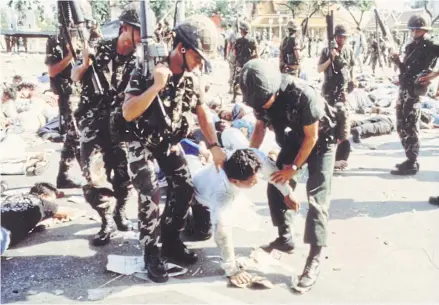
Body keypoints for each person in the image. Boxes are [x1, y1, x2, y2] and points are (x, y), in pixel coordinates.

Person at [122, 15, 226, 283]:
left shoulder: (192, 77)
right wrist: (156, 86)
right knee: (150, 191)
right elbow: (128, 112)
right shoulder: (147, 70)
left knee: (184, 186)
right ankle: (151, 251)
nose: (200, 62)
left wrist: (214, 145)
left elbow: (202, 113)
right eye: (198, 56)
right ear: (182, 48)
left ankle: (169, 241)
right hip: (141, 140)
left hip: (167, 141)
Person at [240, 59, 338, 293]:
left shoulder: (303, 95)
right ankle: (285, 238)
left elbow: (312, 138)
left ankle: (314, 258)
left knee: (317, 199)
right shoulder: (260, 96)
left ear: (274, 88)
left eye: (263, 102)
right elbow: (260, 129)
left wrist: (292, 169)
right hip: (296, 138)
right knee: (276, 184)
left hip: (321, 141)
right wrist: (249, 159)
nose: (261, 107)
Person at [71, 7, 141, 246]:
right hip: (93, 122)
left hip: (122, 124)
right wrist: (85, 61)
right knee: (93, 174)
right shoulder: (99, 48)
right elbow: (75, 76)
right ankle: (106, 219)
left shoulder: (140, 60)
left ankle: (120, 210)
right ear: (126, 28)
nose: (142, 37)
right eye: (139, 32)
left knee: (124, 173)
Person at [190, 148, 298, 285]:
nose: (257, 181)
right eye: (251, 181)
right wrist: (232, 269)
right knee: (202, 233)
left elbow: (273, 173)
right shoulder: (221, 193)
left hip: (218, 185)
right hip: (198, 194)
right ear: (235, 181)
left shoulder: (251, 156)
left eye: (256, 176)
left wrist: (287, 193)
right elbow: (222, 232)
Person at [390, 14, 439, 175]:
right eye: (412, 29)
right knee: (400, 124)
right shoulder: (410, 47)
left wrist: (433, 75)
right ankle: (409, 156)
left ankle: (412, 160)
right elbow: (405, 69)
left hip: (415, 91)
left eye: (417, 29)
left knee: (411, 124)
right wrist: (397, 62)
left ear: (424, 30)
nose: (414, 32)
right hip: (404, 88)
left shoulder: (432, 45)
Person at [45, 26, 82, 189]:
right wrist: (69, 56)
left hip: (85, 94)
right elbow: (52, 72)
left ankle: (63, 177)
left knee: (71, 138)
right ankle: (92, 179)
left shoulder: (85, 33)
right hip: (69, 95)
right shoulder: (56, 40)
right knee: (79, 136)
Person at [1, 182, 70, 254]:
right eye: (53, 200)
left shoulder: (12, 198)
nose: (54, 203)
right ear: (43, 196)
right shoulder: (41, 202)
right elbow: (68, 212)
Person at [317, 24, 355, 106]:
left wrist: (351, 81)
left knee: (342, 115)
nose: (341, 39)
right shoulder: (326, 51)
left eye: (344, 37)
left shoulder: (349, 50)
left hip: (343, 90)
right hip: (329, 89)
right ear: (335, 37)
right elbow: (319, 69)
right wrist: (330, 59)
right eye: (339, 36)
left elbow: (351, 68)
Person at [231, 21, 258, 103]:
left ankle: (234, 98)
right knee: (249, 81)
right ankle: (245, 99)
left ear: (242, 30)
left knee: (237, 80)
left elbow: (234, 53)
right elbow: (257, 54)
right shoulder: (253, 40)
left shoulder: (238, 40)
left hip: (239, 63)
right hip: (249, 64)